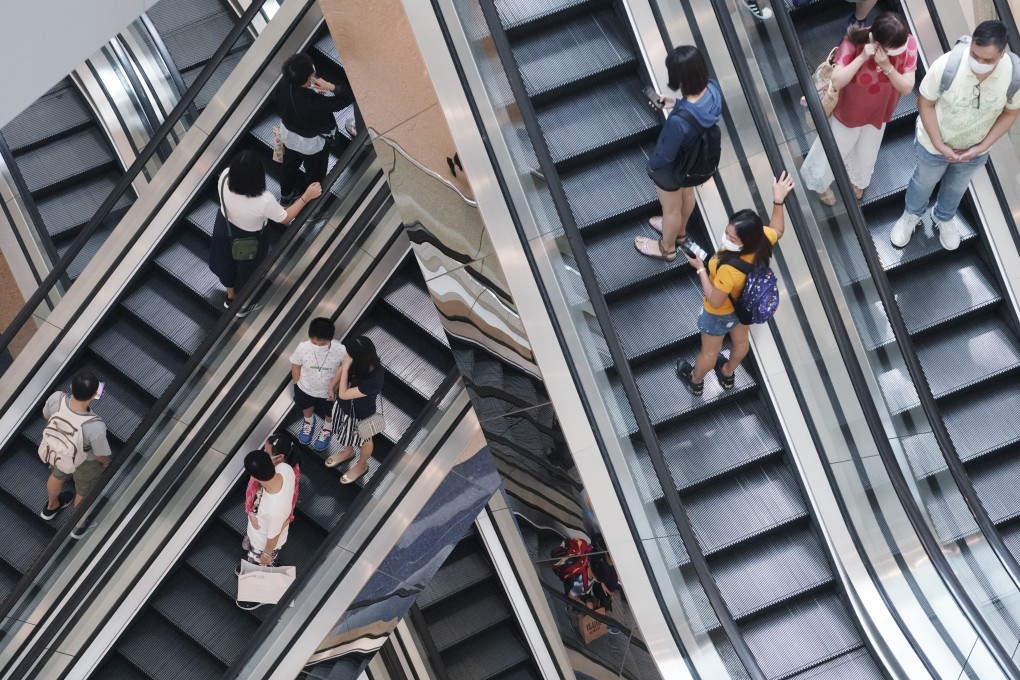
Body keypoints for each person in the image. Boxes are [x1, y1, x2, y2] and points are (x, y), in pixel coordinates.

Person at [891, 20, 1020, 250]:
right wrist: (940, 144)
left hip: (975, 149)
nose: (978, 63)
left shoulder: (1013, 76)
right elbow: (926, 103)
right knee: (923, 182)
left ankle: (943, 216)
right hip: (934, 144)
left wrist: (981, 147)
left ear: (1002, 54)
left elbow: (1010, 114)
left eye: (987, 60)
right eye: (975, 55)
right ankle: (912, 214)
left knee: (956, 187)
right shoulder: (948, 65)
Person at [677, 173, 795, 395]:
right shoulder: (761, 240)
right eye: (727, 232)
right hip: (743, 308)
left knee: (709, 353)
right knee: (741, 343)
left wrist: (701, 268)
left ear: (745, 241)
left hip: (718, 313)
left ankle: (696, 381)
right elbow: (778, 230)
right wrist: (778, 201)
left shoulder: (729, 271)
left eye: (732, 238)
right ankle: (728, 374)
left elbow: (714, 299)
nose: (726, 238)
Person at [801, 13, 917, 206]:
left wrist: (888, 66)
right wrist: (863, 57)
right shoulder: (853, 41)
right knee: (835, 147)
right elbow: (837, 81)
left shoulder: (907, 44)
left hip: (879, 112)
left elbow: (906, 87)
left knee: (868, 149)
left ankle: (858, 180)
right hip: (848, 111)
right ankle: (820, 183)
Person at [208, 150, 322, 313]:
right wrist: (306, 196)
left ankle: (230, 295)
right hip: (248, 237)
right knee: (247, 271)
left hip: (223, 226)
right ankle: (242, 306)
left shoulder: (225, 176)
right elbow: (285, 218)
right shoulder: (264, 200)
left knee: (225, 262)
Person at [637, 46, 723, 262]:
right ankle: (681, 234)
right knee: (687, 194)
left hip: (674, 168)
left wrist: (652, 167)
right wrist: (676, 103)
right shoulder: (713, 89)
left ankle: (667, 249)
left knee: (671, 209)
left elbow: (665, 155)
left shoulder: (678, 122)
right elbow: (698, 112)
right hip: (696, 161)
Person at [276, 53, 355, 206]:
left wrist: (311, 91)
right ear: (307, 80)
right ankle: (311, 206)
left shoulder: (283, 84)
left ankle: (286, 197)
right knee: (314, 174)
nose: (315, 73)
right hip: (311, 145)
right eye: (312, 74)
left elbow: (291, 101)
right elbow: (348, 97)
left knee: (289, 166)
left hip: (288, 135)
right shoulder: (315, 104)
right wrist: (330, 87)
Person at [40, 372, 112, 520]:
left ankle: (51, 507)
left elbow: (47, 416)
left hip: (59, 449)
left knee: (57, 475)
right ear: (94, 396)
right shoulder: (95, 426)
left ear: (71, 387)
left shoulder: (56, 398)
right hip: (85, 462)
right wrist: (106, 464)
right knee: (83, 492)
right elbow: (100, 456)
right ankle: (79, 524)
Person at [325, 335, 384, 484]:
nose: (345, 355)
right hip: (344, 408)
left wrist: (346, 365)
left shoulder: (374, 378)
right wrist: (332, 386)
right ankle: (348, 451)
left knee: (365, 440)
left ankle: (361, 465)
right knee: (343, 431)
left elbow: (344, 394)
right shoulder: (356, 362)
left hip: (362, 415)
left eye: (348, 354)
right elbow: (341, 370)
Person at [290, 317, 347, 450]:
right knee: (305, 404)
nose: (317, 346)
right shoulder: (303, 347)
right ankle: (309, 421)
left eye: (321, 344)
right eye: (314, 342)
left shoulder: (340, 350)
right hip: (305, 387)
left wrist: (336, 387)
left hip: (328, 392)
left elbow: (344, 368)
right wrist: (297, 383)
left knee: (330, 411)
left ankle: (327, 428)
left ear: (330, 338)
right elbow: (296, 366)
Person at [243, 434, 300, 552]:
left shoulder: (289, 472)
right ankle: (252, 541)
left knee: (258, 557)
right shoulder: (284, 469)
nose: (263, 453)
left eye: (267, 453)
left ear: (279, 457)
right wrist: (249, 510)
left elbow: (292, 498)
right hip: (259, 517)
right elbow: (252, 488)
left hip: (264, 542)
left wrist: (266, 555)